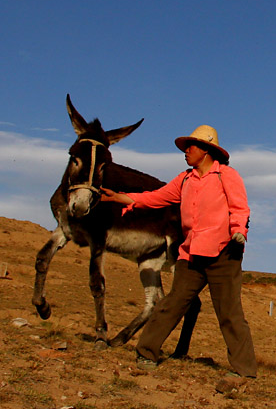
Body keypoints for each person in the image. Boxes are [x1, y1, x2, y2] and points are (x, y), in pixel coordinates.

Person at [101, 124, 257, 378]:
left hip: (224, 254)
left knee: (229, 313)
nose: (186, 151)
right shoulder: (185, 179)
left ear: (206, 150)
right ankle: (147, 352)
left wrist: (239, 230)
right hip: (191, 255)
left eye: (191, 146)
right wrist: (124, 198)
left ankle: (245, 370)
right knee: (172, 304)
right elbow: (157, 197)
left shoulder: (226, 176)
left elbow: (240, 207)